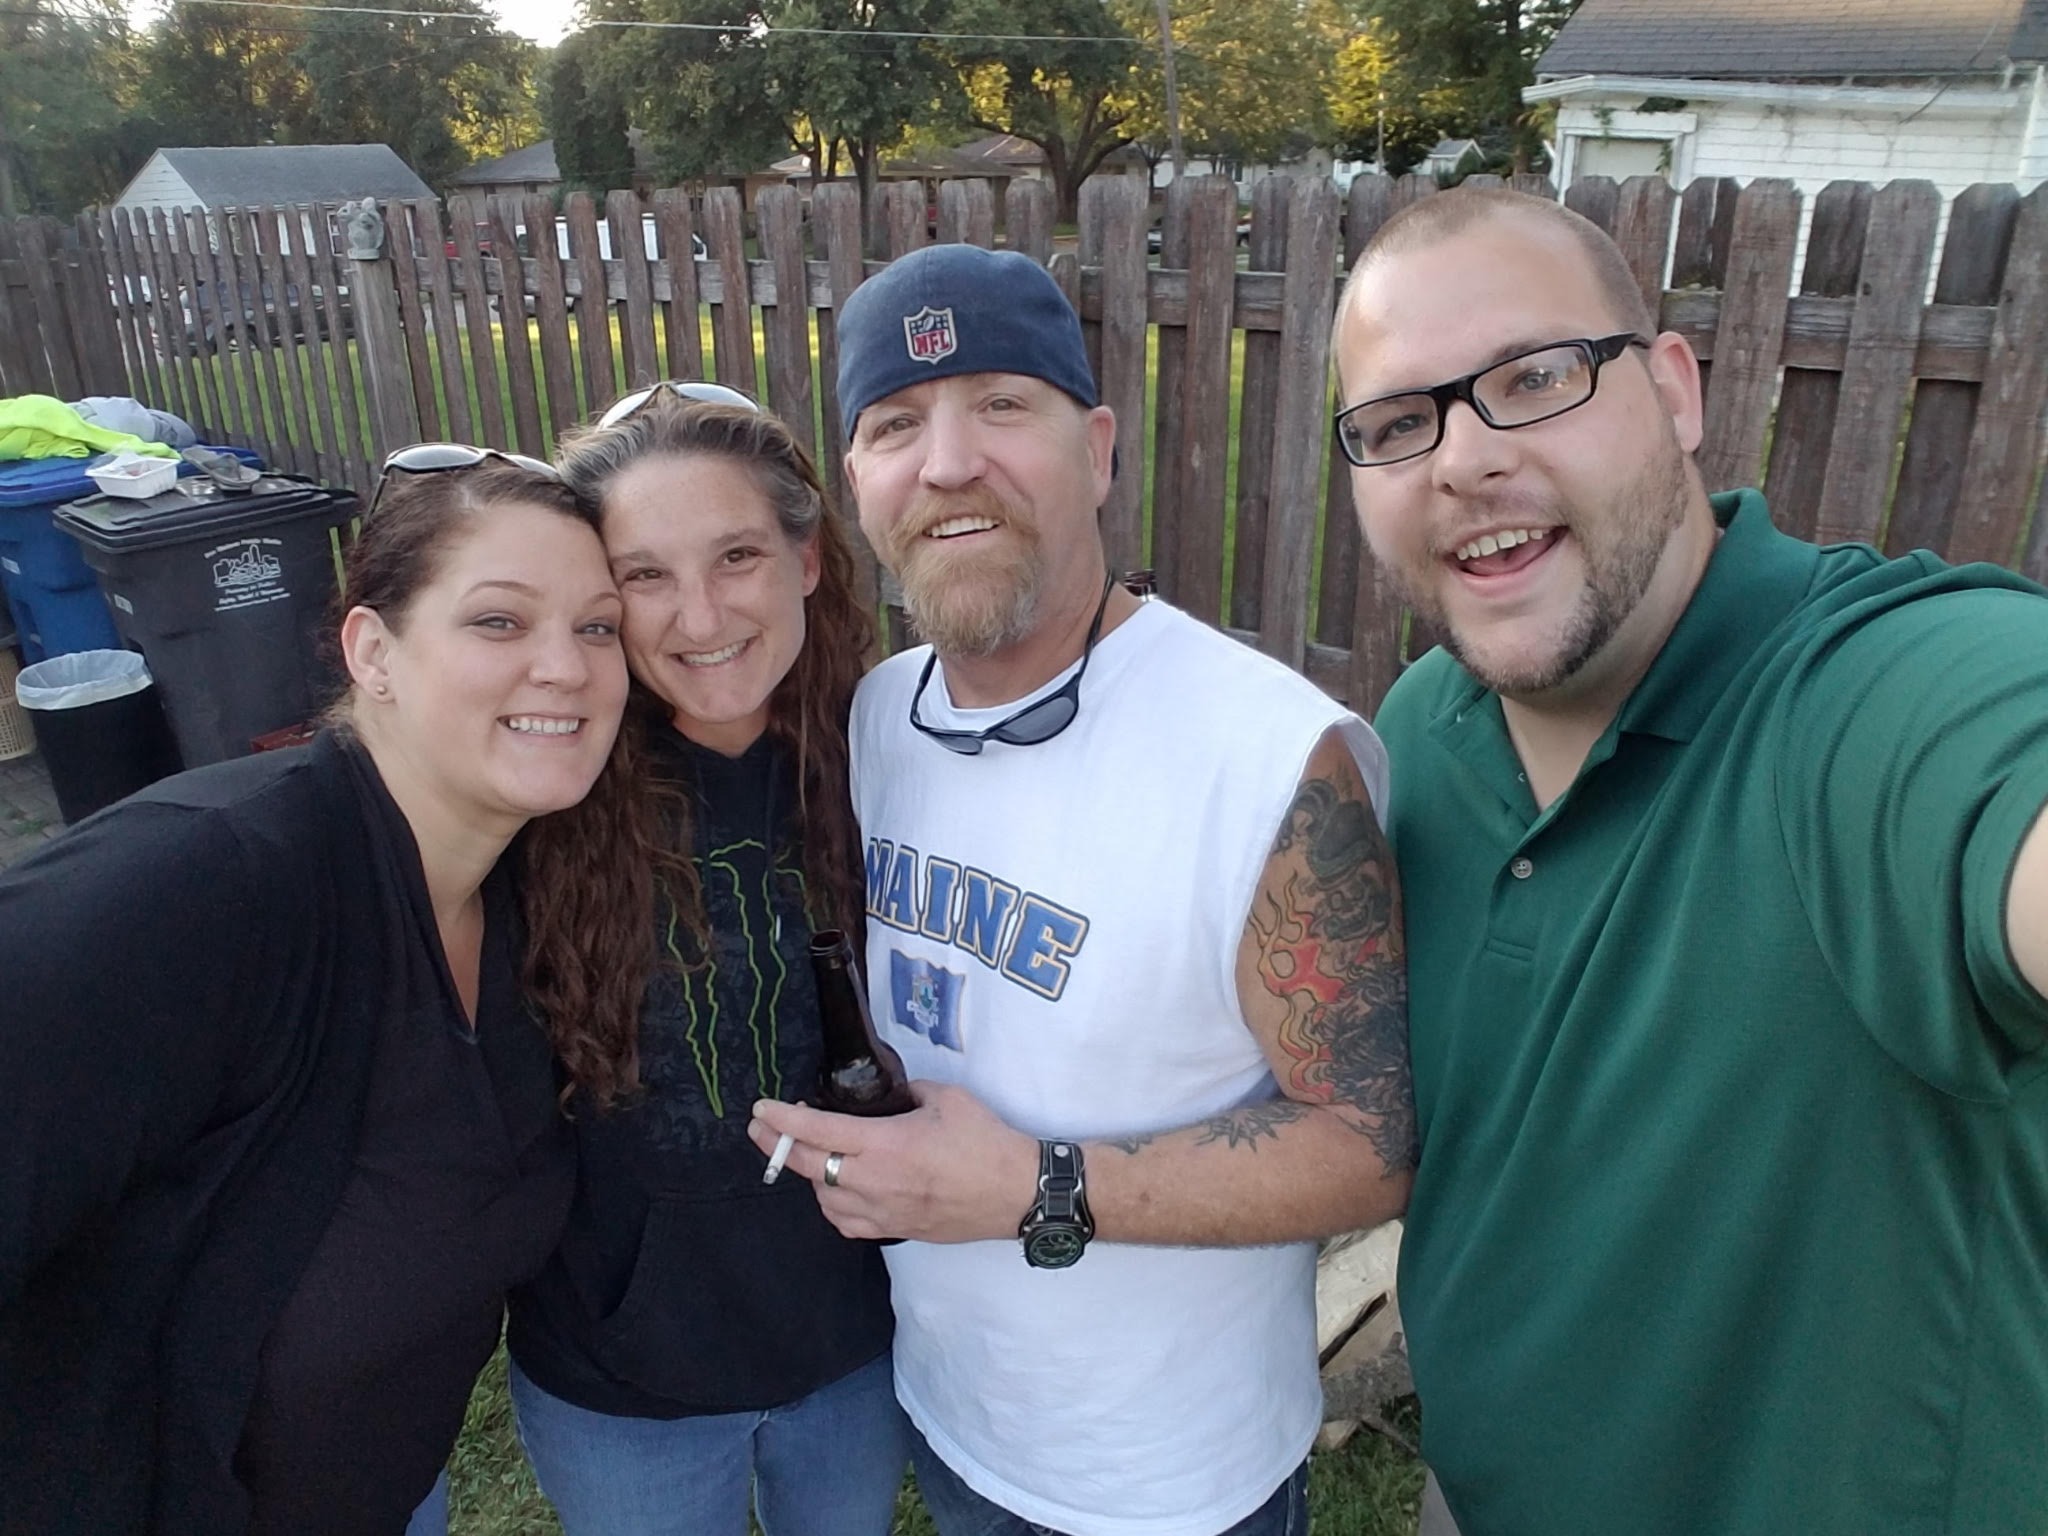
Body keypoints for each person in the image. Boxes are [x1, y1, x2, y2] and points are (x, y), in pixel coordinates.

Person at [1333, 187, 2048, 1536]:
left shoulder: (1868, 701)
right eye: (1395, 423)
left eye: (1534, 377)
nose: (1461, 460)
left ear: (1671, 391)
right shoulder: (1423, 731)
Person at [748, 243, 1416, 1536]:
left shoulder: (1270, 759)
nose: (948, 463)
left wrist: (1030, 1186)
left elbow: (1370, 1148)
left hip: (1171, 1484)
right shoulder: (875, 718)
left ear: (1098, 451)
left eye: (1001, 404)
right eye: (895, 425)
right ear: (858, 485)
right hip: (950, 1419)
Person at [0, 446, 633, 1535]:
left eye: (598, 627)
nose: (565, 667)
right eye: (499, 621)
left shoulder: (521, 894)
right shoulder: (206, 883)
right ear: (372, 651)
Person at [505, 382, 908, 1536]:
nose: (698, 615)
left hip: (854, 1347)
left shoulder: (896, 756)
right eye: (643, 575)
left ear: (807, 559)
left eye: (736, 556)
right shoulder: (542, 786)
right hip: (621, 1379)